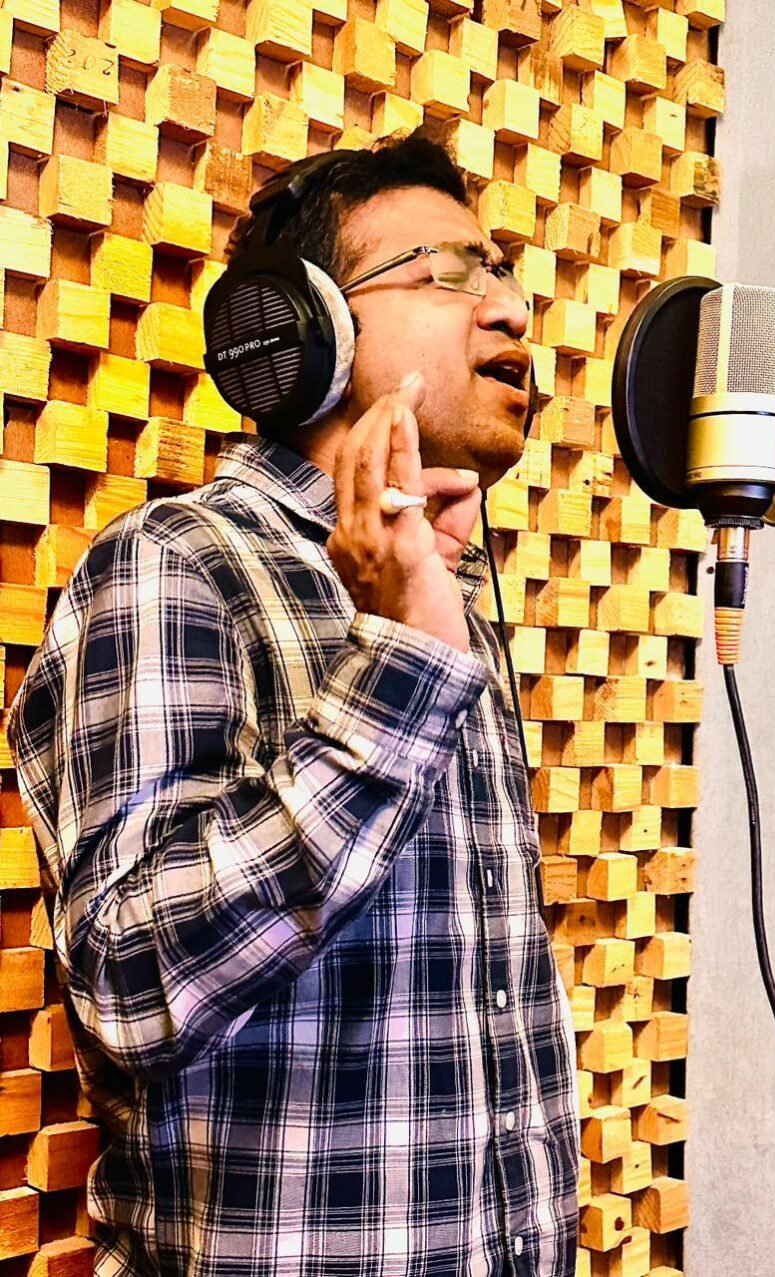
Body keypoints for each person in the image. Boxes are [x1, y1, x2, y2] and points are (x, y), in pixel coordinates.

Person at [10, 132, 580, 1277]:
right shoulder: (177, 564)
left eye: (504, 273)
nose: (512, 309)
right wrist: (396, 671)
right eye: (448, 270)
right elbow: (130, 985)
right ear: (300, 326)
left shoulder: (456, 584)